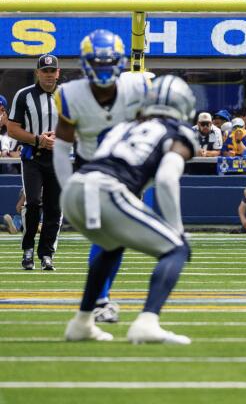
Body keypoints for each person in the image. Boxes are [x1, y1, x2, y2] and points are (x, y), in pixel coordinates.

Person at [61, 75, 197, 344]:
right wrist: (177, 231)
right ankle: (148, 322)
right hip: (106, 190)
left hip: (75, 188)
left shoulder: (126, 125)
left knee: (113, 246)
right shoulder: (178, 132)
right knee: (177, 249)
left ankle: (82, 323)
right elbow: (167, 179)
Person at [53, 30, 149, 324]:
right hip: (91, 166)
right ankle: (101, 300)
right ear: (85, 63)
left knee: (116, 236)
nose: (104, 70)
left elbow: (149, 132)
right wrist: (67, 188)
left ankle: (101, 298)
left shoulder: (138, 88)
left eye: (109, 63)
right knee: (105, 231)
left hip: (127, 167)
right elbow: (62, 145)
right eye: (98, 63)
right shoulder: (71, 95)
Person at [7, 54, 61, 271]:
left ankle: (47, 254)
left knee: (54, 207)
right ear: (38, 72)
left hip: (59, 158)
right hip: (33, 158)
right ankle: (28, 248)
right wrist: (39, 139)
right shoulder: (24, 95)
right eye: (44, 71)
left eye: (52, 71)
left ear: (58, 73)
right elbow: (12, 128)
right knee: (34, 202)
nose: (48, 75)